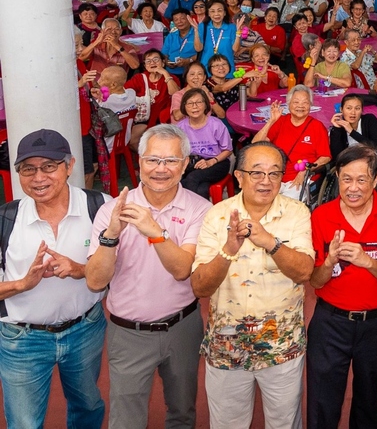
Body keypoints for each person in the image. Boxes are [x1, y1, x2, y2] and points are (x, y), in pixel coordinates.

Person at [84, 125, 210, 428]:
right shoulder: (112, 211)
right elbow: (95, 282)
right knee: (126, 420)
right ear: (139, 162)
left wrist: (154, 231)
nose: (160, 169)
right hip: (129, 332)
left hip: (183, 327)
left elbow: (182, 269)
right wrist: (111, 235)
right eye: (153, 160)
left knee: (182, 412)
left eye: (171, 161)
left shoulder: (201, 209)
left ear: (184, 164)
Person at [191, 141, 315, 428]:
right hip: (226, 345)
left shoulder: (297, 212)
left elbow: (304, 272)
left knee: (284, 423)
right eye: (256, 172)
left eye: (274, 173)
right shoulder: (217, 215)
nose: (266, 181)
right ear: (239, 176)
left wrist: (270, 242)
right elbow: (200, 287)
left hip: (282, 346)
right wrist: (228, 250)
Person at [0, 130, 109, 429]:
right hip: (22, 339)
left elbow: (125, 265)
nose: (39, 178)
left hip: (85, 328)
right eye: (28, 169)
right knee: (24, 423)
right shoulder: (5, 219)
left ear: (70, 165)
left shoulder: (100, 206)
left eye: (49, 166)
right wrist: (22, 284)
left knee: (87, 406)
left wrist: (81, 269)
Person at [307, 145, 377, 429]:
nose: (353, 188)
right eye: (346, 179)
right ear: (337, 176)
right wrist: (329, 262)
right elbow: (315, 281)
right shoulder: (321, 216)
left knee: (367, 401)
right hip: (330, 324)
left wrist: (366, 261)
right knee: (322, 403)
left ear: (376, 179)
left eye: (362, 180)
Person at [253, 85, 332, 194]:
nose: (300, 106)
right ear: (288, 104)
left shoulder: (317, 127)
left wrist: (306, 171)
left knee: (287, 202)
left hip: (301, 179)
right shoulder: (280, 121)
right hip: (274, 176)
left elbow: (325, 157)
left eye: (305, 102)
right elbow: (255, 145)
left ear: (310, 105)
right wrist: (271, 121)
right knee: (257, 196)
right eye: (296, 102)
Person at [329, 94, 377, 191]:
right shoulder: (340, 127)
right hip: (355, 167)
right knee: (343, 187)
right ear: (341, 110)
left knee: (365, 187)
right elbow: (337, 156)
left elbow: (376, 148)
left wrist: (352, 132)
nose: (353, 112)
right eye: (349, 108)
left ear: (362, 110)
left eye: (357, 108)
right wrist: (336, 129)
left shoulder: (370, 120)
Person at [176, 88, 234, 198]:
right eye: (190, 103)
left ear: (205, 105)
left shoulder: (216, 124)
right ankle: (204, 209)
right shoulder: (180, 127)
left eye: (199, 102)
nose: (195, 106)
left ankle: (188, 207)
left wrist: (211, 162)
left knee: (192, 178)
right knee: (202, 188)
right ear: (184, 107)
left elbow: (228, 150)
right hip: (193, 163)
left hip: (217, 162)